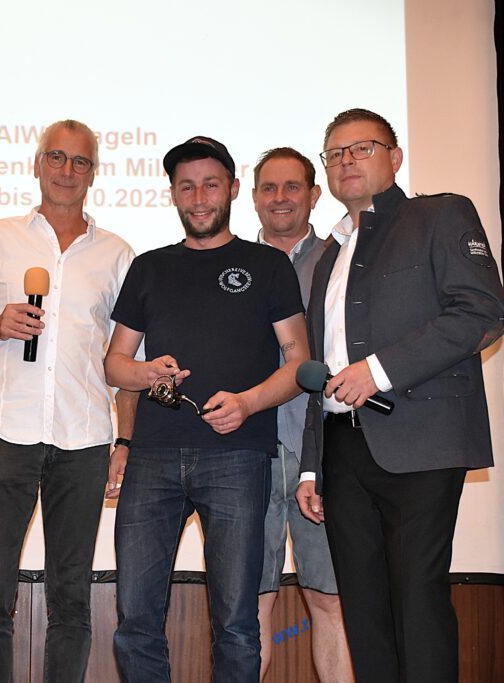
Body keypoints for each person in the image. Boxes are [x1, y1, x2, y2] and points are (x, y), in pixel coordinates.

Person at [296, 108, 504, 683]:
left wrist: (378, 371)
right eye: (334, 154)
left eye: (361, 148)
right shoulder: (330, 255)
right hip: (342, 450)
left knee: (416, 597)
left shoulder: (439, 215)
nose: (346, 161)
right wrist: (311, 467)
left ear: (395, 157)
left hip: (421, 440)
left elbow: (481, 312)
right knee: (364, 610)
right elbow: (321, 368)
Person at [105, 136, 310, 682]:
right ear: (173, 194)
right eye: (187, 186)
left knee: (237, 622)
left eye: (210, 185)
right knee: (136, 619)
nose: (199, 198)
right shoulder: (149, 267)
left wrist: (247, 403)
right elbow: (115, 364)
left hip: (238, 456)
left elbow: (299, 363)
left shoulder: (268, 265)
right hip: (152, 458)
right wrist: (148, 373)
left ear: (233, 189)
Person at [0, 119, 136, 682]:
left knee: (71, 601)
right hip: (4, 434)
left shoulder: (118, 255)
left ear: (93, 173)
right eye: (56, 157)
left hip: (84, 441)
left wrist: (125, 441)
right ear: (37, 164)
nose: (67, 170)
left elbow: (126, 361)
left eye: (80, 161)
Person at [251, 147, 352, 682]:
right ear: (253, 198)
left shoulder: (343, 261)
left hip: (325, 454)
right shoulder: (233, 265)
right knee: (250, 605)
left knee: (330, 600)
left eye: (293, 186)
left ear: (314, 195)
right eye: (269, 188)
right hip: (248, 452)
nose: (281, 198)